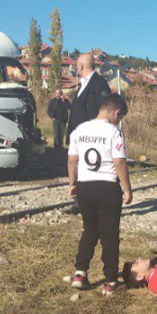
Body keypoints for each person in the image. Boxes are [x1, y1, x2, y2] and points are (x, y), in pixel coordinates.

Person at [67, 95, 132, 295]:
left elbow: (72, 160)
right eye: (119, 118)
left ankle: (80, 272)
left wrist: (72, 183)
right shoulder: (114, 132)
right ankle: (111, 281)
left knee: (90, 229)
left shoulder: (80, 130)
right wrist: (127, 188)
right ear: (116, 112)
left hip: (85, 186)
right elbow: (119, 162)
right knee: (109, 235)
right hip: (107, 187)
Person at [67, 53, 111, 140]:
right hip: (78, 139)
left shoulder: (99, 82)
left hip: (91, 139)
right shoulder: (82, 85)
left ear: (81, 66)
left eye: (77, 66)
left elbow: (105, 110)